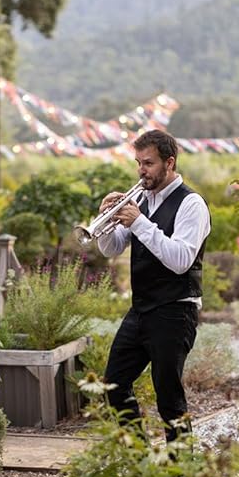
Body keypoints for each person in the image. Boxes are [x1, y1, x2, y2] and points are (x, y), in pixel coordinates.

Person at [95, 128, 212, 442]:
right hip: (142, 309)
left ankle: (180, 474)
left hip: (176, 311)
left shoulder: (192, 204)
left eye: (148, 163)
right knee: (113, 385)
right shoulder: (141, 200)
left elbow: (180, 260)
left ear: (169, 162)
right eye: (138, 163)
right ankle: (141, 458)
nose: (141, 171)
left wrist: (139, 223)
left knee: (169, 399)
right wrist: (105, 218)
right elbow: (111, 248)